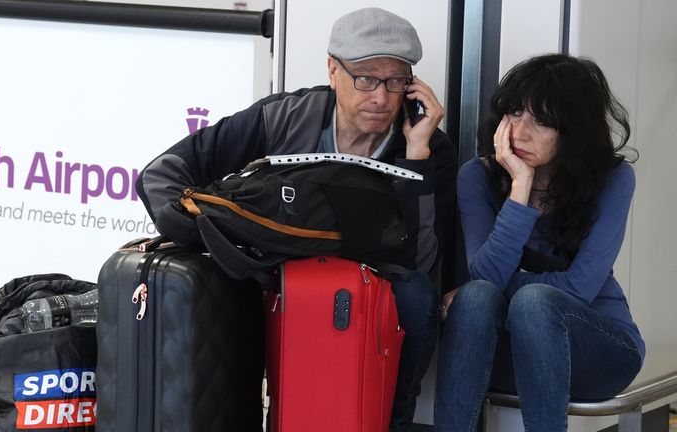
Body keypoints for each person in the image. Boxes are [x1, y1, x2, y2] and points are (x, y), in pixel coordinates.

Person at [137, 7, 457, 431]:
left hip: (369, 290)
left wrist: (417, 158)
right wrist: (203, 235)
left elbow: (421, 260)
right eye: (365, 78)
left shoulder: (429, 147)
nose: (380, 97)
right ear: (332, 70)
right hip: (280, 273)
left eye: (395, 80)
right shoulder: (285, 116)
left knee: (416, 297)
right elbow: (161, 173)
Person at [434, 53, 644, 431]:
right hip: (509, 356)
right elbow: (485, 277)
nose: (520, 132)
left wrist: (505, 285)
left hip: (598, 353)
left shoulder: (613, 180)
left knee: (526, 301)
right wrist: (520, 187)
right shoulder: (477, 177)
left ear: (574, 131)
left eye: (542, 121)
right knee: (477, 297)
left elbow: (580, 289)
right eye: (514, 113)